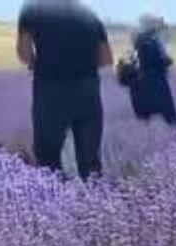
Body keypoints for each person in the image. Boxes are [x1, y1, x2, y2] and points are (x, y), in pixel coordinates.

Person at [16, 0, 112, 179]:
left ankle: (54, 203)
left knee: (48, 160)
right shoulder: (89, 13)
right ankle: (95, 204)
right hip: (88, 91)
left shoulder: (32, 10)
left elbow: (24, 52)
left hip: (51, 91)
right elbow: (106, 58)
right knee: (90, 162)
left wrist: (36, 64)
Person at [128, 15, 176, 126]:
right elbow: (162, 59)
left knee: (145, 118)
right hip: (157, 80)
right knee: (169, 116)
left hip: (143, 80)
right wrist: (168, 61)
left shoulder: (139, 39)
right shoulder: (153, 40)